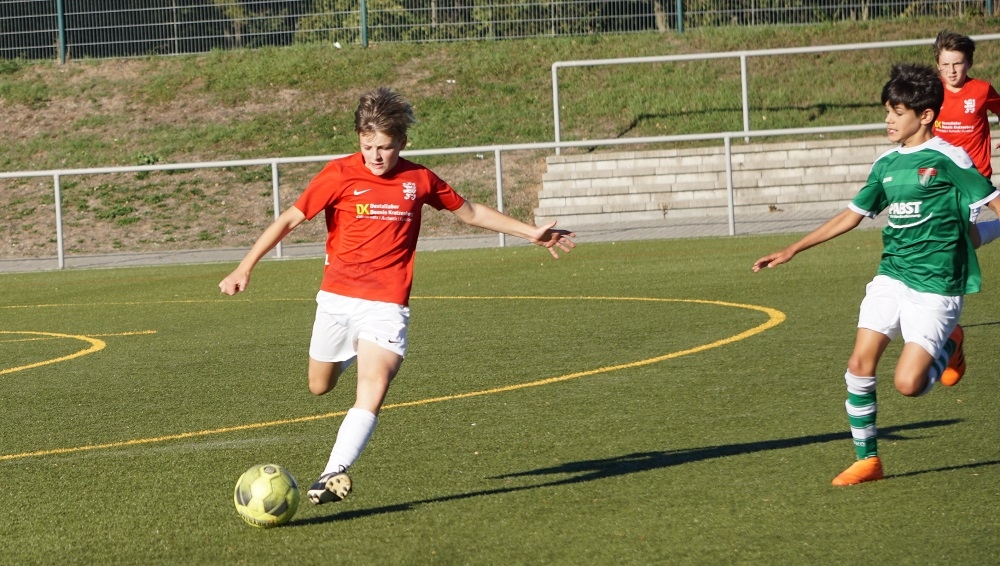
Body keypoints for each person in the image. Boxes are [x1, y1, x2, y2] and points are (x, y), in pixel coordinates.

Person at [218, 87, 575, 505]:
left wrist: (528, 231)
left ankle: (332, 472)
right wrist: (246, 265)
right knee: (319, 386)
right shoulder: (338, 174)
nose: (375, 156)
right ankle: (354, 352)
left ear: (401, 143)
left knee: (374, 383)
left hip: (387, 305)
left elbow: (471, 212)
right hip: (337, 301)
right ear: (359, 141)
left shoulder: (418, 179)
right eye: (368, 146)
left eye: (385, 147)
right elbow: (290, 218)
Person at [752, 63, 1000, 486]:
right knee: (858, 364)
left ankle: (951, 342)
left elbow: (993, 203)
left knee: (908, 384)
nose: (888, 119)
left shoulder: (950, 158)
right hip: (892, 276)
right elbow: (851, 215)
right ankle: (868, 460)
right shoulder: (885, 164)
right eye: (886, 110)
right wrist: (792, 248)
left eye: (897, 111)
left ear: (925, 115)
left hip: (937, 285)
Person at [933, 30, 1000, 247]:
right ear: (937, 65)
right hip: (939, 174)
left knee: (958, 240)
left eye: (957, 64)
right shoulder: (931, 92)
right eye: (945, 65)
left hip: (974, 174)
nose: (951, 71)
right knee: (952, 237)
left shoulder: (981, 90)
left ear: (969, 63)